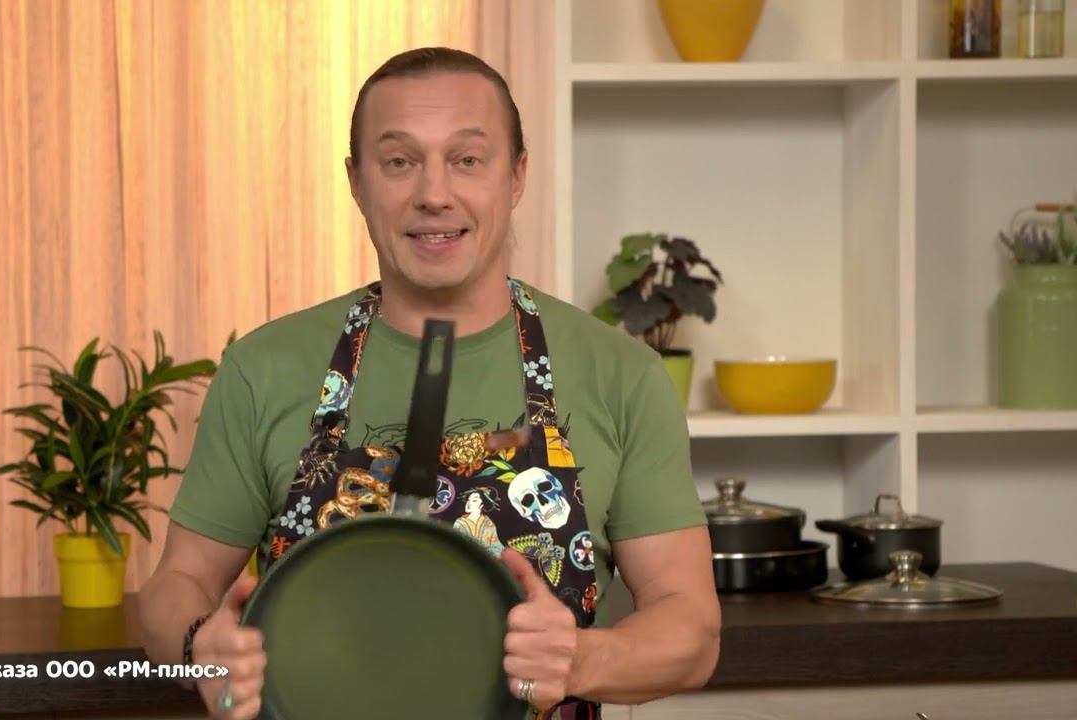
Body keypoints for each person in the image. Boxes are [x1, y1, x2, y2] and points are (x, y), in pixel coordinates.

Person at [138, 46, 721, 719]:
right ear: (357, 182)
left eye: (467, 159)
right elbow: (174, 587)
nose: (434, 194)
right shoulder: (262, 370)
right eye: (399, 161)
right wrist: (200, 648)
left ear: (516, 175)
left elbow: (691, 628)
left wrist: (581, 659)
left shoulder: (620, 374)